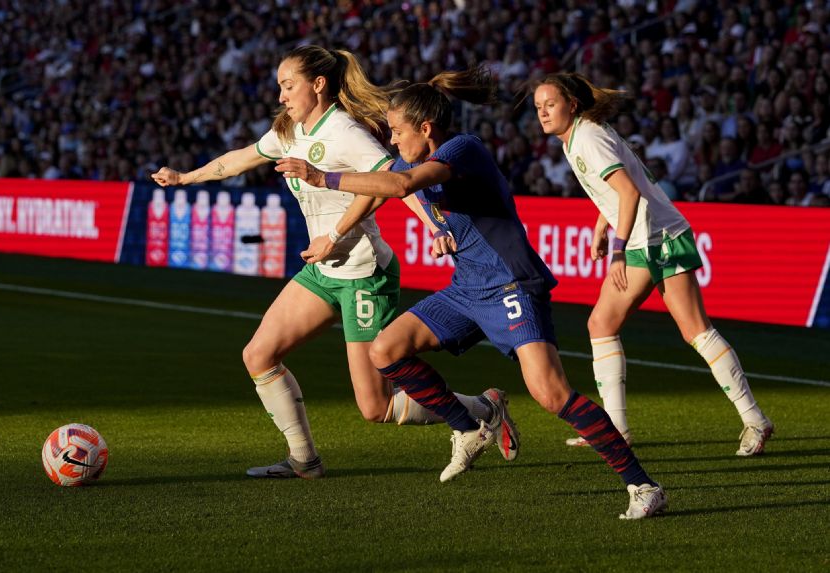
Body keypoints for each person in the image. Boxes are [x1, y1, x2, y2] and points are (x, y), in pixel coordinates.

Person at [277, 67, 667, 519]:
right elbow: (383, 189)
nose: (393, 142)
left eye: (399, 132)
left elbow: (400, 185)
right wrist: (336, 234)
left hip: (511, 284)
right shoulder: (411, 158)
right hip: (467, 287)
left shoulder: (464, 149)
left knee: (551, 393)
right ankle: (469, 426)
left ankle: (643, 485)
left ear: (426, 129)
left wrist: (323, 177)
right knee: (385, 350)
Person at [151, 46, 518, 480]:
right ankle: (304, 460)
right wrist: (186, 178)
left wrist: (433, 226)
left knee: (375, 407)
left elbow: (391, 181)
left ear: (318, 84)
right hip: (323, 270)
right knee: (259, 354)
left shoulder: (344, 131)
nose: (282, 96)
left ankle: (484, 407)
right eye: (280, 87)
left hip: (364, 274)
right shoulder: (288, 130)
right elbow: (241, 158)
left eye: (289, 86)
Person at [532, 72, 773, 456]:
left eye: (550, 104)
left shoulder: (588, 138)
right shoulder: (579, 135)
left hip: (652, 239)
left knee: (610, 324)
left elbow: (628, 192)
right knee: (688, 331)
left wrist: (617, 250)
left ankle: (619, 430)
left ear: (571, 105)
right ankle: (754, 420)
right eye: (538, 107)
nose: (543, 113)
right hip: (660, 233)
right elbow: (619, 187)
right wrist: (600, 226)